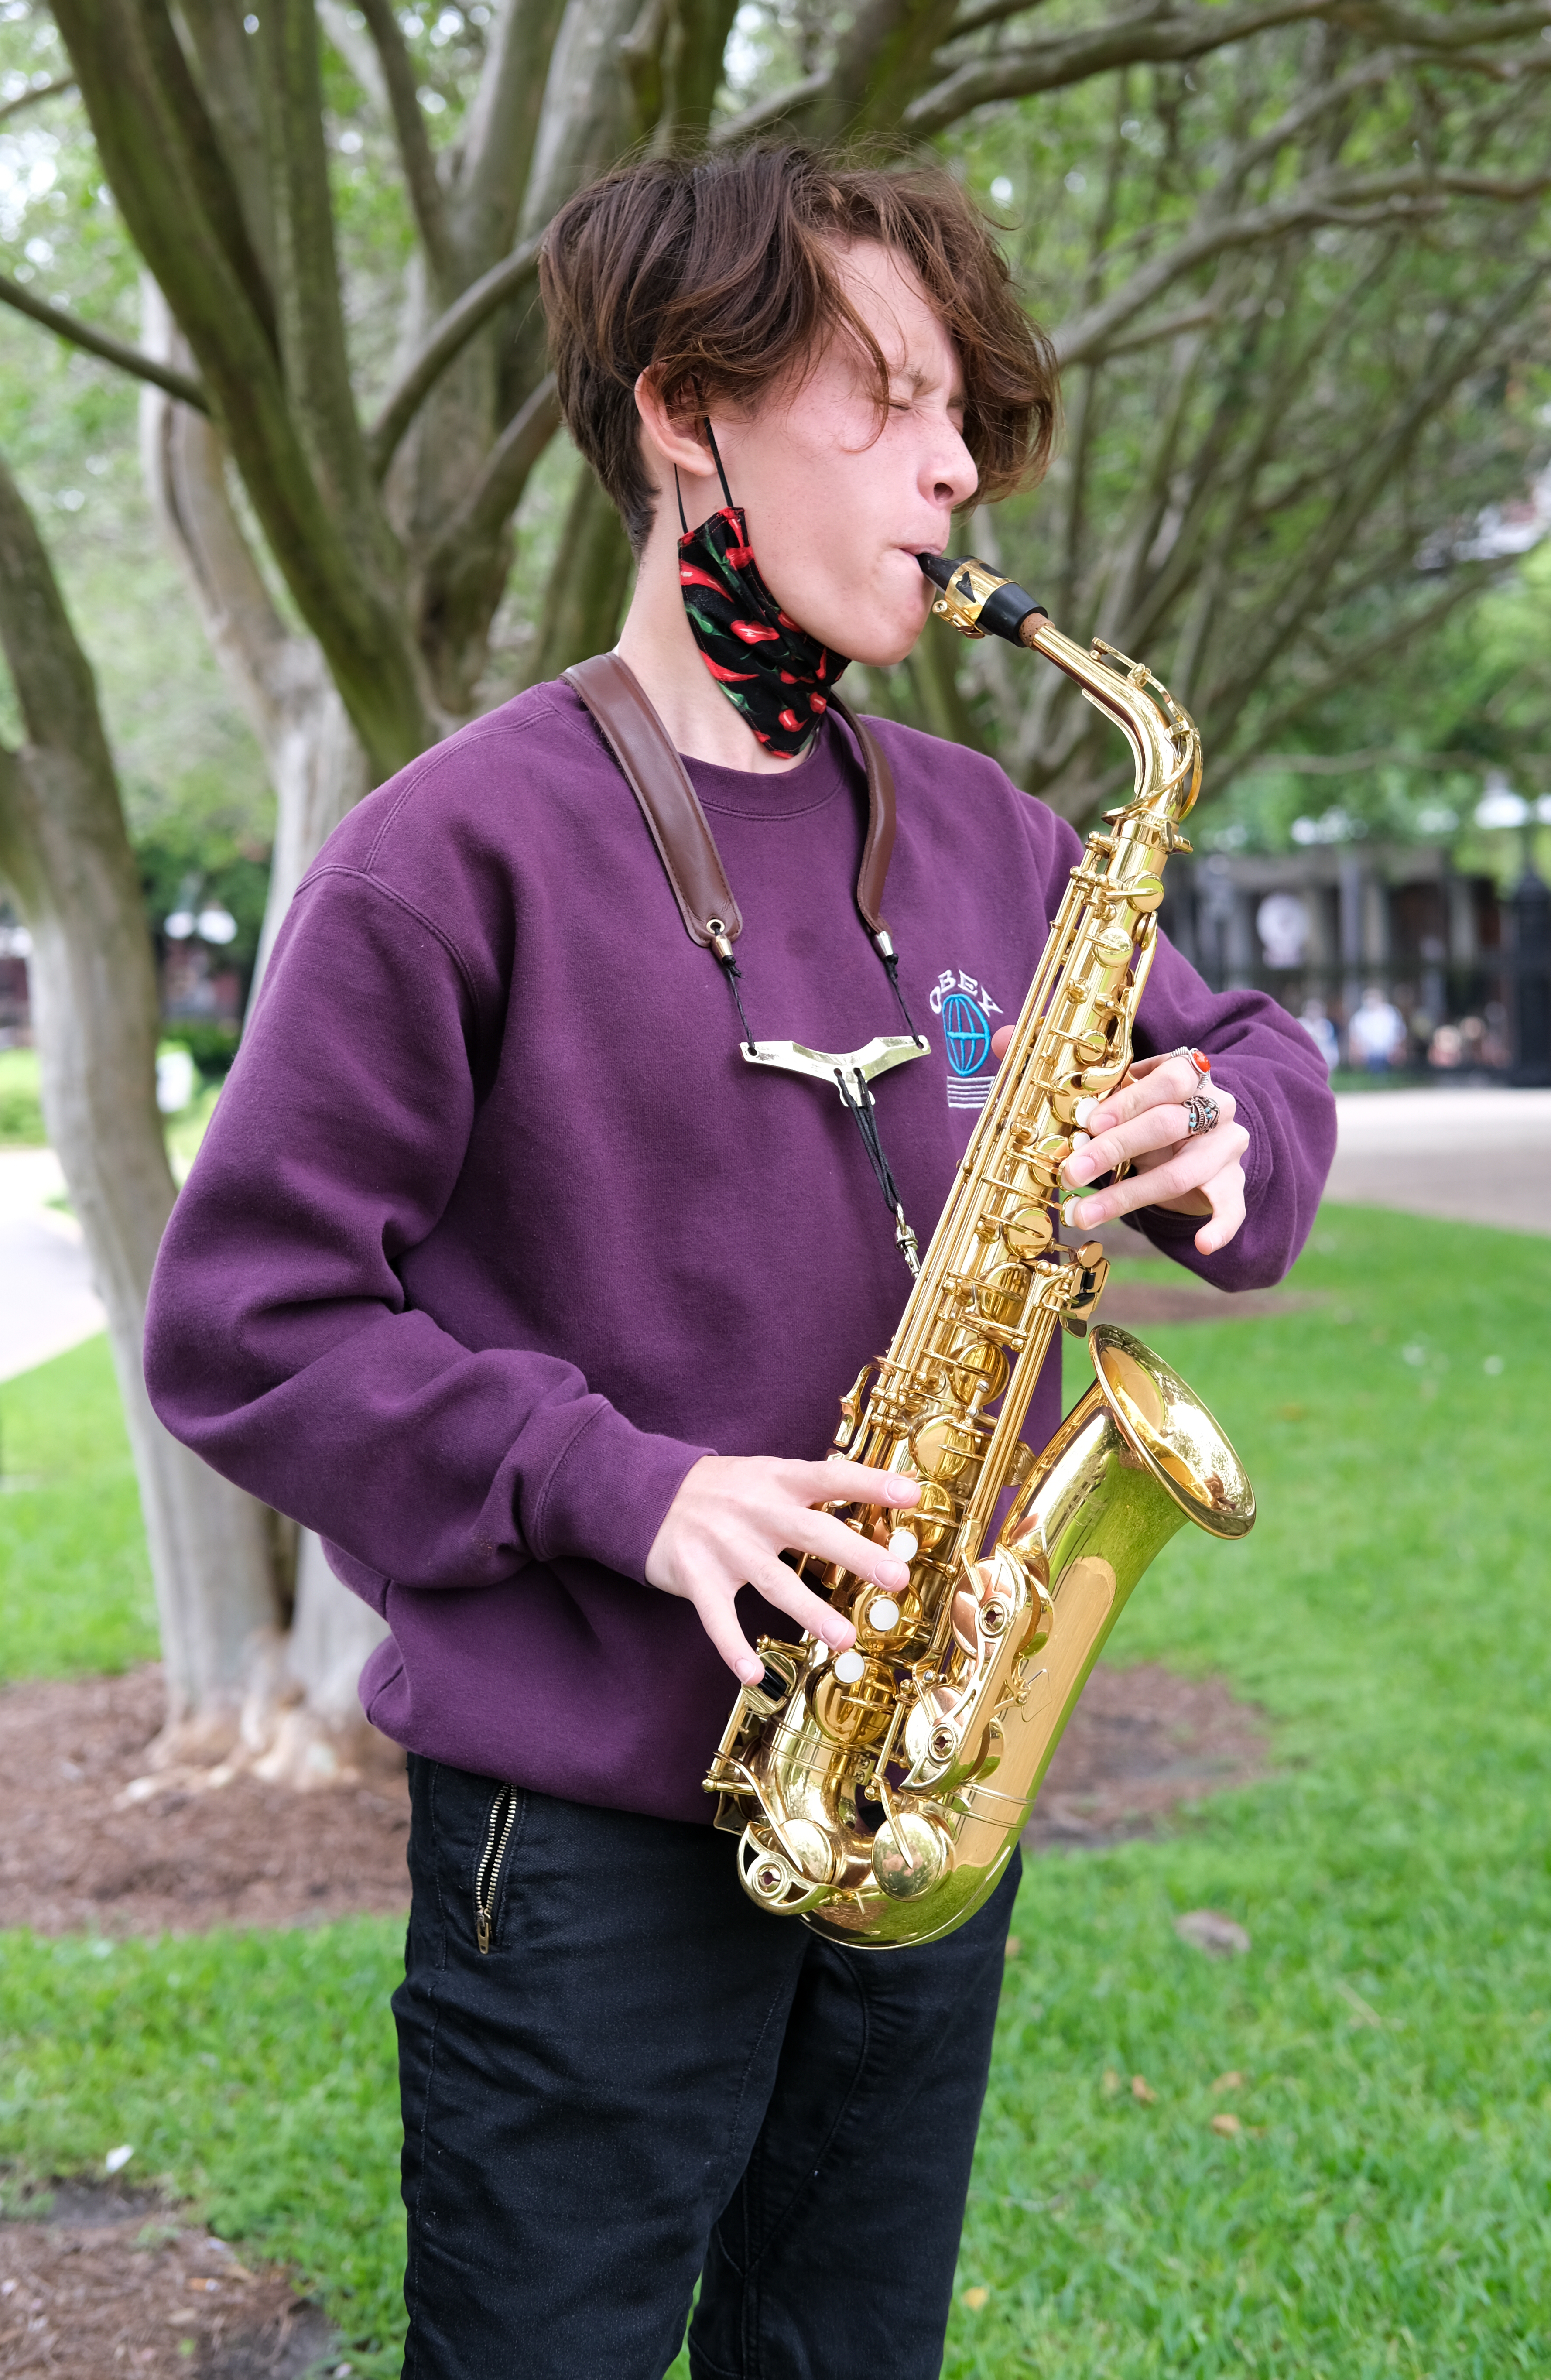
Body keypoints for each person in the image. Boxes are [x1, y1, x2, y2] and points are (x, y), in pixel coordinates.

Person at [144, 147, 1336, 2380]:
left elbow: (1260, 1054)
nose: (957, 463)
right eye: (886, 398)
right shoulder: (448, 858)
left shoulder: (994, 830)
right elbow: (245, 1322)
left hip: (915, 1806)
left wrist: (1218, 1129)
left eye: (963, 410)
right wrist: (630, 1482)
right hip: (580, 1852)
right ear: (688, 408)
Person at [1348, 984, 1406, 1073]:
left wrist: (1399, 1050)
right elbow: (1354, 1038)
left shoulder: (1391, 1013)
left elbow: (1400, 1034)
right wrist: (1356, 1055)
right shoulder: (1359, 1017)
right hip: (1367, 1055)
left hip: (1389, 1054)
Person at [1299, 996, 1340, 1073]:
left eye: (1316, 1010)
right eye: (1311, 1010)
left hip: (1323, 1058)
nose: (1313, 1013)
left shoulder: (1325, 1025)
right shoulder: (1301, 1023)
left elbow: (1329, 1046)